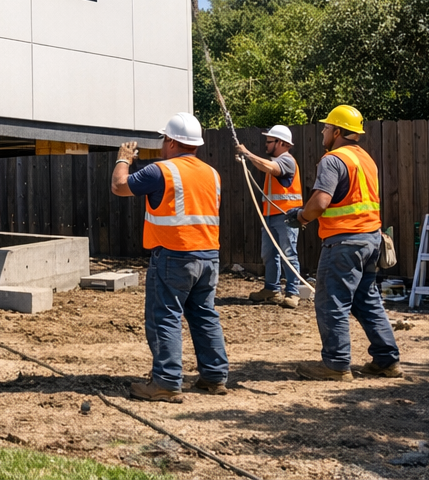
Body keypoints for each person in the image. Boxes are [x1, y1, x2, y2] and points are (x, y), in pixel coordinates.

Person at [111, 112, 229, 403]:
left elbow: (119, 187)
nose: (163, 144)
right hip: (208, 256)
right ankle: (214, 378)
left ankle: (165, 382)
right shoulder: (212, 174)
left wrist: (123, 160)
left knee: (165, 317)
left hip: (173, 256)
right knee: (204, 315)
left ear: (173, 142)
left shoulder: (160, 171)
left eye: (165, 139)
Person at [285, 105, 402, 381]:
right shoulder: (365, 159)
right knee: (366, 300)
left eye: (326, 127)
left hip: (344, 243)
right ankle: (387, 360)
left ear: (337, 131)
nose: (323, 131)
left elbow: (321, 202)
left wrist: (301, 217)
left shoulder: (333, 159)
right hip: (371, 240)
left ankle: (336, 365)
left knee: (331, 301)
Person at [235, 124, 303, 308]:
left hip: (285, 215)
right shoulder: (276, 161)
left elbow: (271, 168)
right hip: (270, 215)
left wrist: (247, 153)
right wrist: (247, 158)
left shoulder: (287, 160)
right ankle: (272, 290)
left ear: (280, 143)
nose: (266, 144)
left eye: (269, 141)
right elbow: (264, 166)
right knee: (269, 254)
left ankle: (293, 292)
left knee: (288, 254)